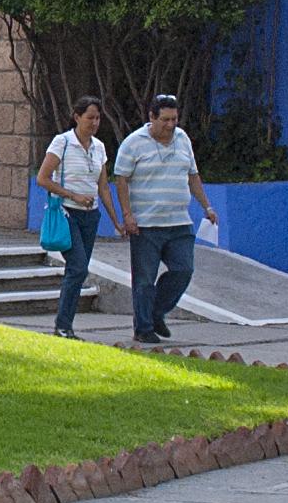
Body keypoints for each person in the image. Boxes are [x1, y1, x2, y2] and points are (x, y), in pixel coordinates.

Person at [114, 91, 216, 345]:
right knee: (145, 280)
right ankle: (144, 327)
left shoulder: (182, 140)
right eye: (165, 120)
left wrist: (207, 206)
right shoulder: (133, 143)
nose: (170, 125)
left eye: (174, 120)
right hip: (146, 225)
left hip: (179, 221)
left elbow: (193, 174)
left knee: (183, 269)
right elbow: (121, 179)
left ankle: (157, 312)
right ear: (152, 117)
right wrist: (127, 215)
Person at [34, 95, 113, 338]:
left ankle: (65, 325)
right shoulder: (63, 142)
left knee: (79, 269)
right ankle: (63, 325)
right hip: (68, 212)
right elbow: (43, 178)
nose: (94, 122)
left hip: (91, 215)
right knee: (77, 268)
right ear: (77, 117)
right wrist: (73, 195)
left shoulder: (99, 147)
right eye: (90, 117)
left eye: (98, 118)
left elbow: (103, 186)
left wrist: (117, 220)